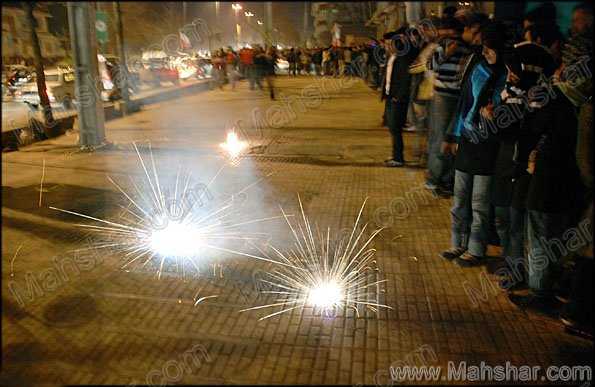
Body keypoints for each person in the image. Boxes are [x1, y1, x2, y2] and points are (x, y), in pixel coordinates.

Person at [440, 20, 507, 266]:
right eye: (484, 47)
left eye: (490, 47)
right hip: (468, 140)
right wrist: (452, 136)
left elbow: (510, 108)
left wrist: (497, 110)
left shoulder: (507, 73)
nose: (485, 51)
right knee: (459, 198)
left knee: (479, 202)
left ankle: (476, 249)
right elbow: (464, 104)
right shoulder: (477, 67)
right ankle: (457, 243)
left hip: (488, 144)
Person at [425, 14, 484, 194]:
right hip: (451, 96)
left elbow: (429, 66)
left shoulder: (455, 46)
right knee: (447, 136)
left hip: (449, 96)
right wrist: (445, 53)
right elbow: (431, 65)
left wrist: (445, 53)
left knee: (444, 137)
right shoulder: (447, 45)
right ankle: (441, 178)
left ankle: (440, 179)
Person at [381, 28, 420, 167]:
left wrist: (399, 96)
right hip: (390, 96)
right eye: (385, 44)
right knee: (392, 128)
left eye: (389, 44)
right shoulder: (392, 57)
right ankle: (396, 155)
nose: (386, 46)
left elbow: (406, 79)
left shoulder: (402, 58)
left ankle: (398, 158)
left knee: (396, 129)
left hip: (397, 99)